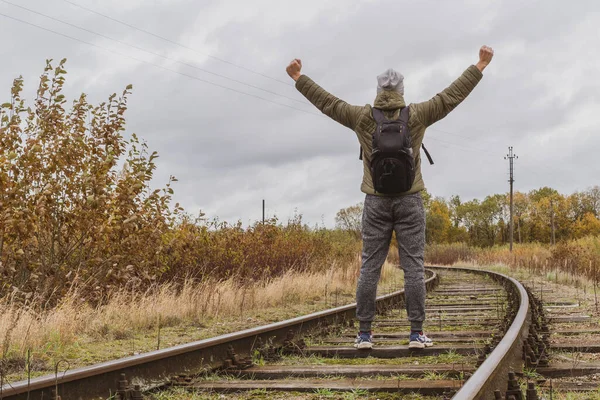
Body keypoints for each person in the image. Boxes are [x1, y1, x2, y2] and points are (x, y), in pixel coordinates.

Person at [286, 46, 494, 349]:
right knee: (413, 266)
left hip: (375, 201)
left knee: (370, 266)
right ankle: (415, 334)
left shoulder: (361, 117)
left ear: (378, 91)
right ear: (401, 91)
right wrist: (480, 65)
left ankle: (365, 335)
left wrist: (299, 78)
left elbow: (328, 103)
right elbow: (451, 96)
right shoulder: (418, 114)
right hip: (410, 200)